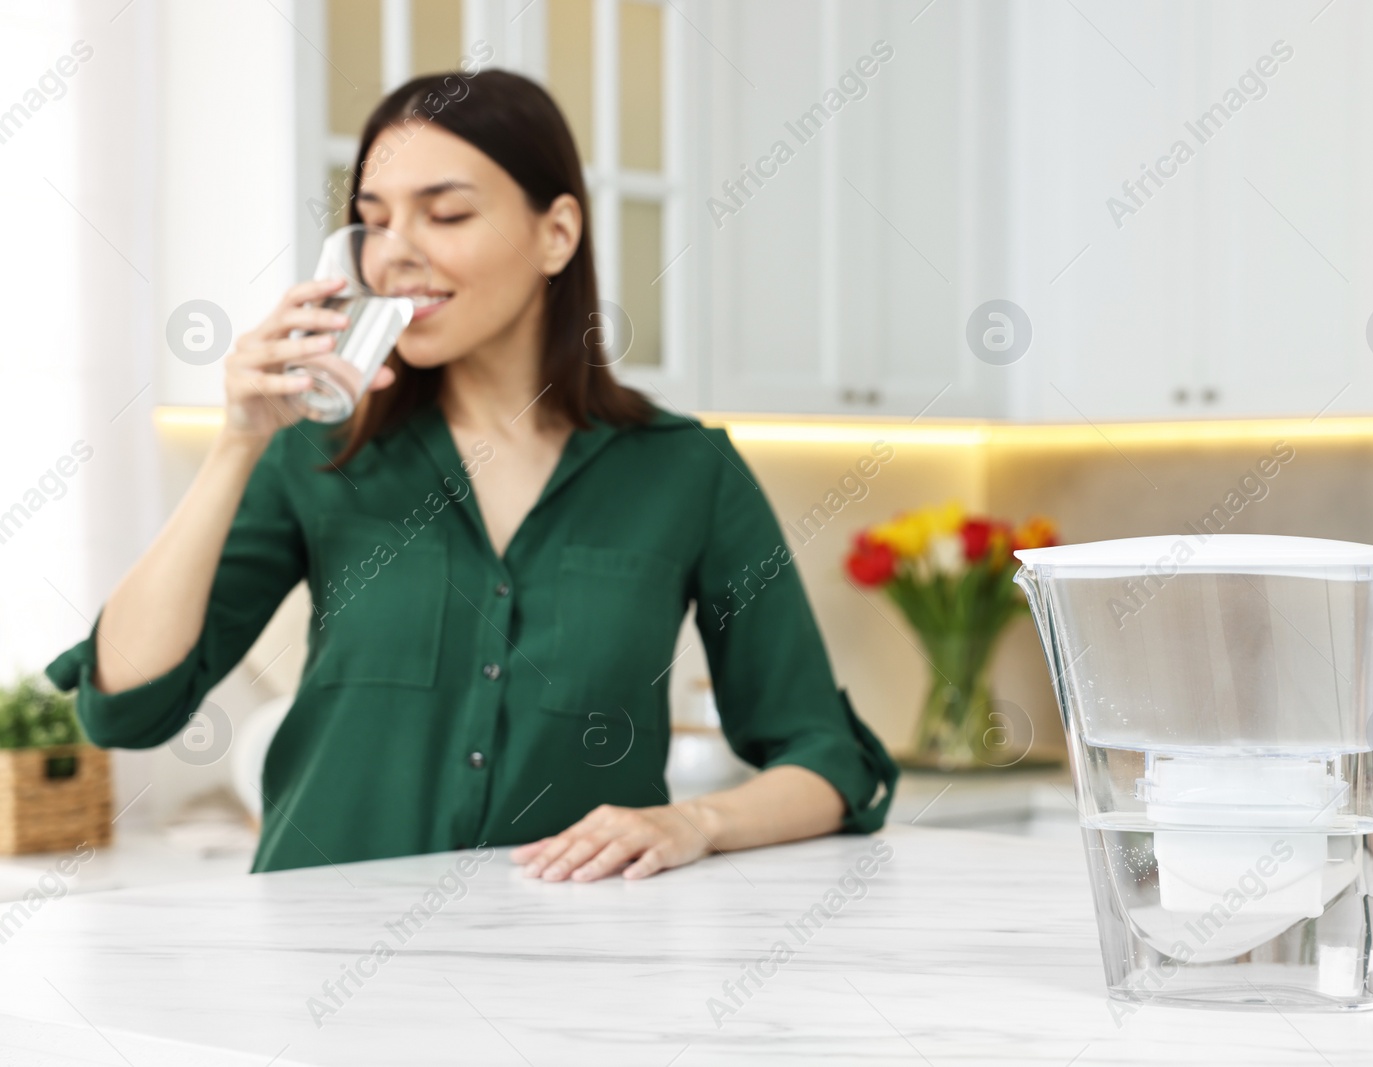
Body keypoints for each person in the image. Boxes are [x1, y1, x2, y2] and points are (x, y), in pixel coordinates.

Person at [45, 70, 897, 880]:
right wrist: (236, 443)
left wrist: (696, 824)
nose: (395, 255)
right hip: (320, 969)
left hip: (579, 975)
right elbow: (126, 708)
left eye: (445, 214)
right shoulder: (314, 450)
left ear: (555, 233)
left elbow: (828, 760)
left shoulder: (685, 470)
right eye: (373, 222)